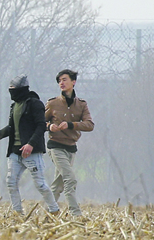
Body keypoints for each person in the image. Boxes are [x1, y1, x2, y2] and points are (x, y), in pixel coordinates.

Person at [0, 74, 60, 215]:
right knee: (11, 183)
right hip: (15, 152)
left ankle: (54, 210)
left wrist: (30, 144)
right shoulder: (14, 106)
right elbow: (10, 128)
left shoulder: (35, 103)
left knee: (41, 185)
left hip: (32, 153)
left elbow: (41, 126)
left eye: (13, 89)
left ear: (22, 89)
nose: (11, 92)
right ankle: (17, 213)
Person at [44, 69, 94, 217]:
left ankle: (48, 215)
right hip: (55, 146)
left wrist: (71, 125)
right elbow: (39, 122)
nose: (61, 83)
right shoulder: (52, 103)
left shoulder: (82, 105)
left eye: (64, 79)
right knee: (70, 179)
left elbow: (90, 125)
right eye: (59, 80)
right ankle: (76, 215)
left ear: (73, 82)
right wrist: (49, 126)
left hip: (71, 148)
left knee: (58, 185)